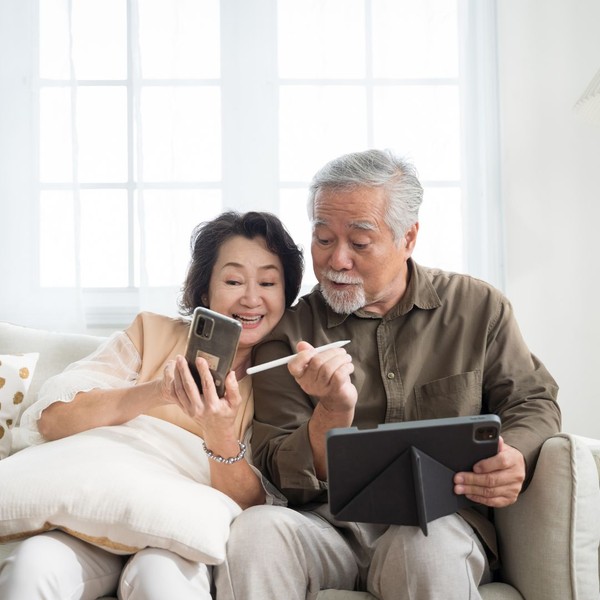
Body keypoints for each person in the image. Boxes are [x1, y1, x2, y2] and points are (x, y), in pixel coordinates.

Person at [214, 150, 561, 600]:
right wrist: (331, 413)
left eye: (359, 243)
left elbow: (534, 400)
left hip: (440, 523)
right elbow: (279, 474)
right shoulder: (290, 333)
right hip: (328, 530)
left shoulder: (477, 308)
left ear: (408, 237)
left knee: (425, 544)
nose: (336, 260)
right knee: (258, 530)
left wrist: (513, 453)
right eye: (322, 239)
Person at [0, 210, 304, 600]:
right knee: (33, 566)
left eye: (267, 282)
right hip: (93, 519)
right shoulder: (151, 332)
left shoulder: (283, 377)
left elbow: (253, 505)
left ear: (286, 293)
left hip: (176, 536)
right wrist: (158, 392)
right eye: (233, 280)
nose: (251, 298)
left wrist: (219, 432)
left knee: (161, 578)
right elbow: (54, 419)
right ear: (205, 291)